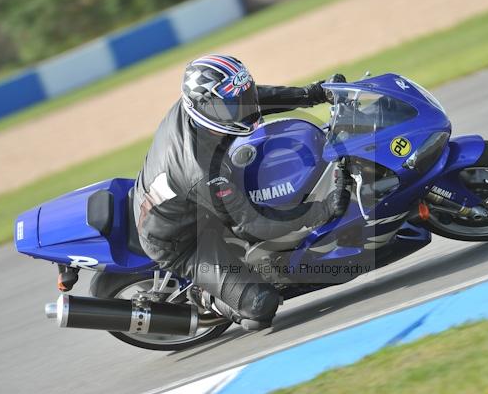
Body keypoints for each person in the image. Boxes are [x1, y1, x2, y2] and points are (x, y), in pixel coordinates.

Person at [133, 54, 349, 330]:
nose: (242, 108)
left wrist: (315, 93)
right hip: (183, 241)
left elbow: (253, 99)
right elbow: (252, 225)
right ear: (206, 107)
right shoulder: (201, 170)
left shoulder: (203, 107)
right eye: (231, 104)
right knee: (260, 307)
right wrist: (324, 210)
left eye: (241, 95)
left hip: (188, 199)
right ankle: (203, 295)